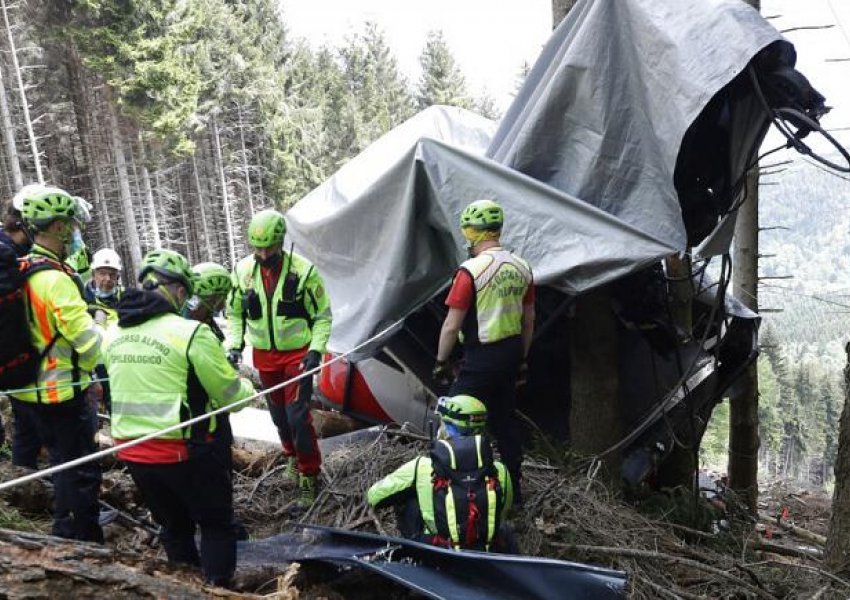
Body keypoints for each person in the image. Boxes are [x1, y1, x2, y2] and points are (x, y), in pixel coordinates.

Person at [104, 249, 255, 587]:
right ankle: (217, 589)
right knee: (216, 524)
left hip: (133, 452)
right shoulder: (189, 333)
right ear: (181, 290)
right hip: (186, 451)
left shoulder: (113, 333)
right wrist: (245, 384)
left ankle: (185, 589)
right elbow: (230, 397)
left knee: (174, 527)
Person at [11, 185, 103, 542]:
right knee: (79, 470)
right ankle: (80, 539)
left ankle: (68, 529)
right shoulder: (56, 280)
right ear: (58, 227)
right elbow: (86, 341)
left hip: (31, 391)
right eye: (71, 224)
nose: (75, 231)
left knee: (60, 465)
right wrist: (104, 337)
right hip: (63, 391)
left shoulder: (23, 269)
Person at [226, 208, 332, 509]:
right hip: (264, 356)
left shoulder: (303, 272)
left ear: (281, 242)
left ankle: (309, 474)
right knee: (278, 416)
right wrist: (234, 344)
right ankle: (290, 454)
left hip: (298, 354)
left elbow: (323, 317)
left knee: (297, 416)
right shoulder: (243, 272)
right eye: (257, 248)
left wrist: (315, 351)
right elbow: (234, 313)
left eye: (268, 247)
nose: (262, 253)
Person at [433, 199, 534, 504]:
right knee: (504, 419)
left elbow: (452, 326)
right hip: (511, 353)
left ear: (472, 233)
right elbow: (529, 319)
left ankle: (448, 487)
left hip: (481, 355)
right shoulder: (522, 267)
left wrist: (440, 362)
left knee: (452, 416)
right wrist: (523, 361)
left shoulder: (470, 271)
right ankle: (514, 491)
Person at [367, 394, 516, 552]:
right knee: (505, 530)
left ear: (448, 426)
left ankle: (414, 555)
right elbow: (503, 512)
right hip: (484, 551)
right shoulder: (500, 470)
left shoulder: (421, 467)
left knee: (407, 497)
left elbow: (373, 496)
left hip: (437, 551)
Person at [187, 261, 248, 541]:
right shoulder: (193, 328)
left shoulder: (202, 322)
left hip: (204, 412)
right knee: (215, 472)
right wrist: (240, 385)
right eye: (219, 298)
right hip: (204, 414)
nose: (222, 303)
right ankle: (221, 527)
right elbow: (225, 390)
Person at [84, 247, 125, 327]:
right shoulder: (81, 299)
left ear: (118, 276)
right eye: (102, 274)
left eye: (112, 274)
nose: (108, 278)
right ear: (93, 274)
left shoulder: (127, 297)